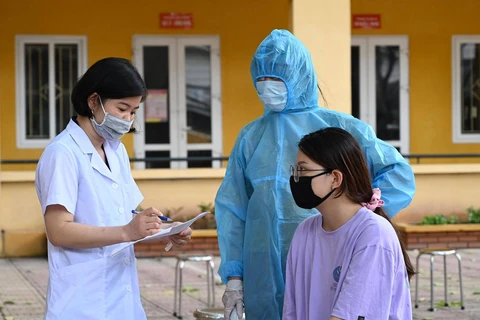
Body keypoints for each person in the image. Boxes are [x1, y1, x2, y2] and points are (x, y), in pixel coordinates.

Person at [215, 29, 416, 320]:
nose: (268, 87)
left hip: (332, 252)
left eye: (277, 79)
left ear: (299, 77)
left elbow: (397, 174)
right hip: (263, 269)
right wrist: (235, 274)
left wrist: (354, 215)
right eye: (262, 80)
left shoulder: (339, 129)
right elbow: (233, 208)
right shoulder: (251, 137)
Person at [35, 57, 192, 320]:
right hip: (81, 301)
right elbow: (58, 230)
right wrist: (126, 231)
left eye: (133, 112)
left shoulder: (115, 151)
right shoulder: (62, 153)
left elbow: (124, 215)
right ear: (93, 101)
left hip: (122, 296)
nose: (128, 120)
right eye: (122, 108)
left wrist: (165, 228)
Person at [283, 127, 415, 320]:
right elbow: (291, 311)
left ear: (335, 178)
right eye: (295, 170)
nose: (296, 179)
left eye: (303, 170)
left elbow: (349, 316)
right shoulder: (305, 232)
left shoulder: (374, 234)